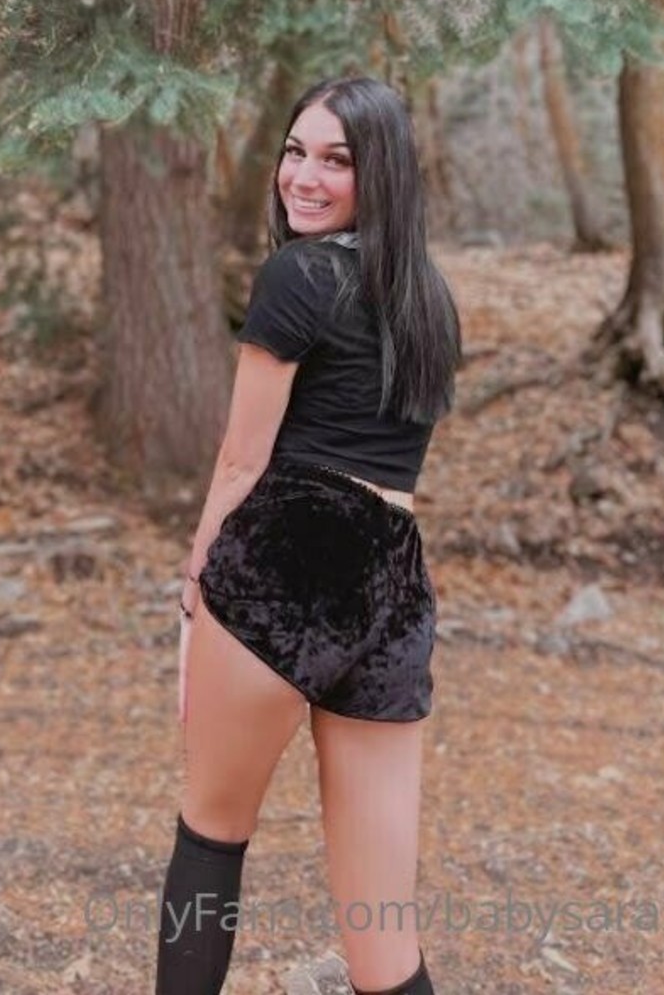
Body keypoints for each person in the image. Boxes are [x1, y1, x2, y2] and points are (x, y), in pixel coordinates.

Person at [154, 75, 461, 995]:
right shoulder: (431, 298)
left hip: (291, 557)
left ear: (381, 174)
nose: (303, 176)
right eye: (295, 151)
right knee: (382, 930)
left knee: (211, 834)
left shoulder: (299, 273)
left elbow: (241, 460)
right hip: (393, 583)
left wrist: (195, 590)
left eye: (336, 159)